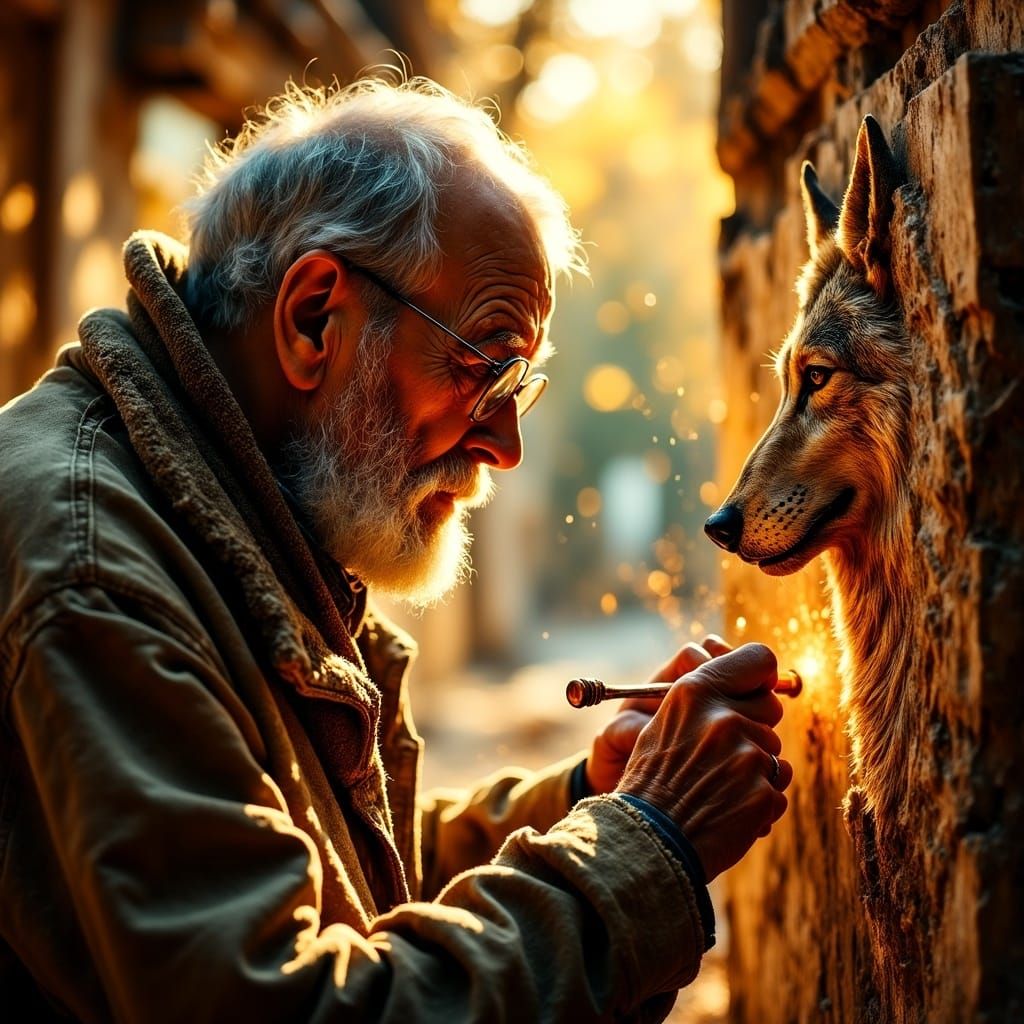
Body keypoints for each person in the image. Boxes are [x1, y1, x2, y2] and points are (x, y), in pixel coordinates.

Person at [0, 76, 792, 1022]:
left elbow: (325, 867)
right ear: (313, 319)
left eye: (518, 387)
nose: (505, 444)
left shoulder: (220, 509)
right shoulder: (95, 575)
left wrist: (589, 796)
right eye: (486, 366)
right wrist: (644, 842)